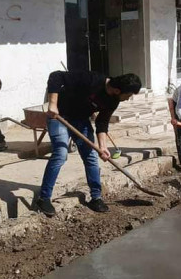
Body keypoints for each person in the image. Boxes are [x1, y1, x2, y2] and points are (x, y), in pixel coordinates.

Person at [36, 71, 142, 217]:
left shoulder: (113, 100)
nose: (128, 99)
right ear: (118, 90)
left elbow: (102, 122)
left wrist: (103, 147)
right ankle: (44, 198)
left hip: (80, 120)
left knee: (91, 156)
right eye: (128, 95)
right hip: (59, 116)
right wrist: (53, 104)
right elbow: (55, 76)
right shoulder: (91, 79)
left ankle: (96, 198)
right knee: (61, 154)